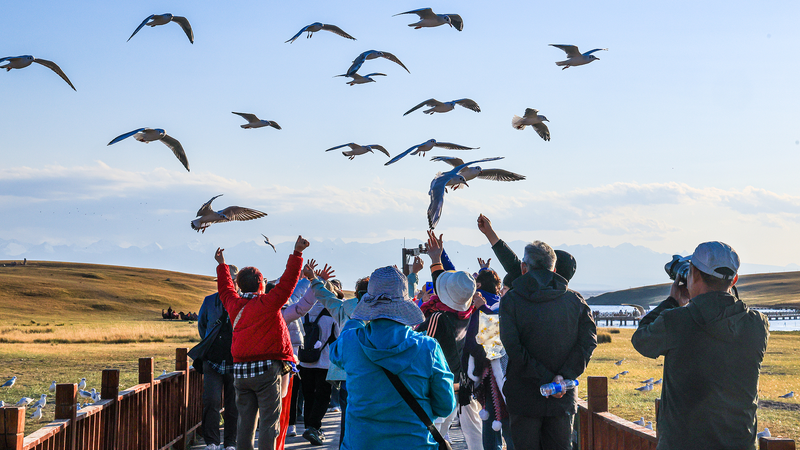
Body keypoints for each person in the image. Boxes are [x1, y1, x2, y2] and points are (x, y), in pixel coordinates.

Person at [631, 241, 769, 450]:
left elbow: (641, 339)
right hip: (739, 444)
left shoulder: (676, 321)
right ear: (734, 280)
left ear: (693, 274)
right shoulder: (758, 324)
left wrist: (673, 301)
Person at [330, 265, 456, 449]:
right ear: (403, 305)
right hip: (415, 443)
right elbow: (445, 406)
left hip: (361, 444)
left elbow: (335, 354)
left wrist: (355, 319)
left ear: (367, 301)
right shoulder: (428, 348)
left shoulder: (351, 342)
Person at [498, 238, 597, 450]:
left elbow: (514, 348)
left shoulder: (511, 300)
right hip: (562, 396)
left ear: (524, 268)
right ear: (554, 268)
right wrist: (562, 378)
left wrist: (548, 379)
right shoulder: (575, 301)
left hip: (524, 397)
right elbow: (588, 342)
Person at [213, 235, 309, 450]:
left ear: (240, 285)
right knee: (269, 422)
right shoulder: (268, 303)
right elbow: (288, 283)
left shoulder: (233, 304)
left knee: (245, 422)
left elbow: (225, 289)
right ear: (261, 285)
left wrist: (222, 266)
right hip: (266, 370)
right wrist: (297, 253)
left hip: (240, 371)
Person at [419, 230, 483, 450]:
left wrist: (437, 259)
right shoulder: (472, 313)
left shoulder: (437, 317)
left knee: (433, 436)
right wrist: (437, 259)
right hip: (463, 383)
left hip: (439, 387)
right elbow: (447, 290)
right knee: (461, 433)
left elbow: (420, 346)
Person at [307, 264, 369, 449]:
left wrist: (314, 279)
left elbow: (324, 296)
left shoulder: (343, 309)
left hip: (347, 373)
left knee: (347, 416)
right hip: (374, 373)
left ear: (356, 294)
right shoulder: (383, 312)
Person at [198, 264, 239, 450]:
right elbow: (202, 326)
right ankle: (212, 442)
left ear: (236, 282)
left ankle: (231, 442)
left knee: (234, 404)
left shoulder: (241, 301)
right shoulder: (208, 301)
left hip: (235, 359)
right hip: (213, 359)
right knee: (212, 401)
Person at [296, 285, 339, 445]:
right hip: (324, 361)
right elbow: (337, 336)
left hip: (305, 360)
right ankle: (313, 427)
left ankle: (309, 426)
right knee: (322, 396)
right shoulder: (331, 313)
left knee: (308, 396)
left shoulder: (303, 311)